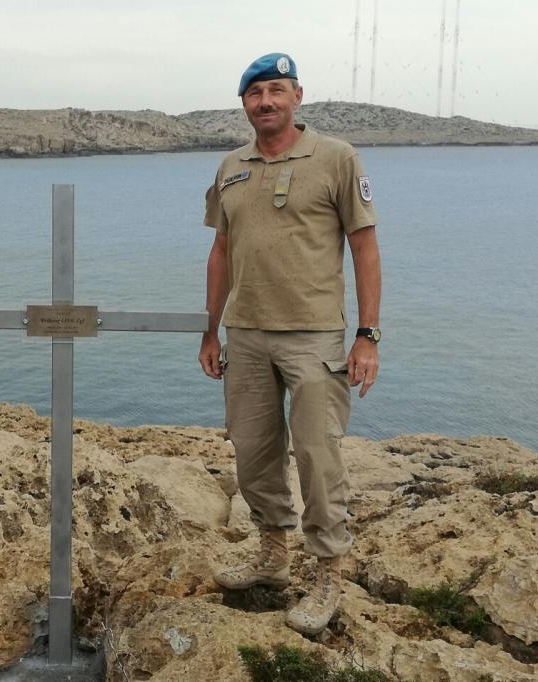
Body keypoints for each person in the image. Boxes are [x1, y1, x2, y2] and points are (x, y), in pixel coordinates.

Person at [199, 54, 382, 636]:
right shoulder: (231, 166)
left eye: (276, 90)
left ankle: (327, 573)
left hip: (314, 336)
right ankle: (273, 556)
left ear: (297, 96)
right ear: (244, 104)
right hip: (246, 335)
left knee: (317, 456)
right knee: (253, 452)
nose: (266, 102)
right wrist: (211, 329)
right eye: (255, 94)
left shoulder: (337, 158)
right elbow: (221, 251)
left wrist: (368, 336)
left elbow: (364, 246)